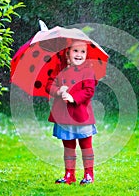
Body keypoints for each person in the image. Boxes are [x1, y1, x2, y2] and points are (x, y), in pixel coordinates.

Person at [45, 41, 97, 185]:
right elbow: (49, 85)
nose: (79, 55)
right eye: (75, 51)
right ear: (67, 53)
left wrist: (73, 97)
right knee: (68, 147)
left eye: (83, 52)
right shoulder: (59, 69)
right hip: (64, 116)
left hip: (81, 115)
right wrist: (58, 90)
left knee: (86, 146)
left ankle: (89, 175)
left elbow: (89, 90)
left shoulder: (88, 71)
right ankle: (69, 174)